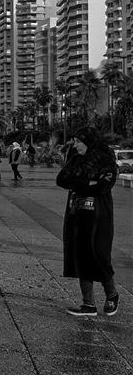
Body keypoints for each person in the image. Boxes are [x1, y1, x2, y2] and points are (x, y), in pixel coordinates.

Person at [56, 127, 119, 317]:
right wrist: (88, 182)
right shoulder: (75, 159)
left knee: (99, 255)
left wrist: (80, 183)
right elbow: (62, 179)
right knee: (80, 255)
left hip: (99, 216)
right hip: (77, 214)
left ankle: (112, 295)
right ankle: (88, 304)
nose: (74, 145)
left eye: (77, 141)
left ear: (88, 142)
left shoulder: (105, 161)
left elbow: (104, 185)